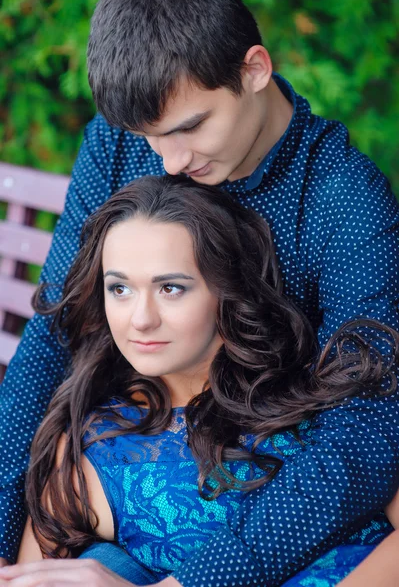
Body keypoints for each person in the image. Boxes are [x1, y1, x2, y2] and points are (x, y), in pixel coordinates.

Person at [1, 0, 399, 584]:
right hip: (131, 494)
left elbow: (367, 432)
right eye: (148, 136)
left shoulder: (342, 202)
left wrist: (202, 580)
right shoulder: (119, 144)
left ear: (255, 70)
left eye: (190, 127)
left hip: (276, 519)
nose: (167, 160)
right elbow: (55, 333)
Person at [4, 175, 399, 587]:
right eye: (119, 288)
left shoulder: (327, 394)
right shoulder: (91, 448)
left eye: (171, 288)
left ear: (228, 291)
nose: (140, 319)